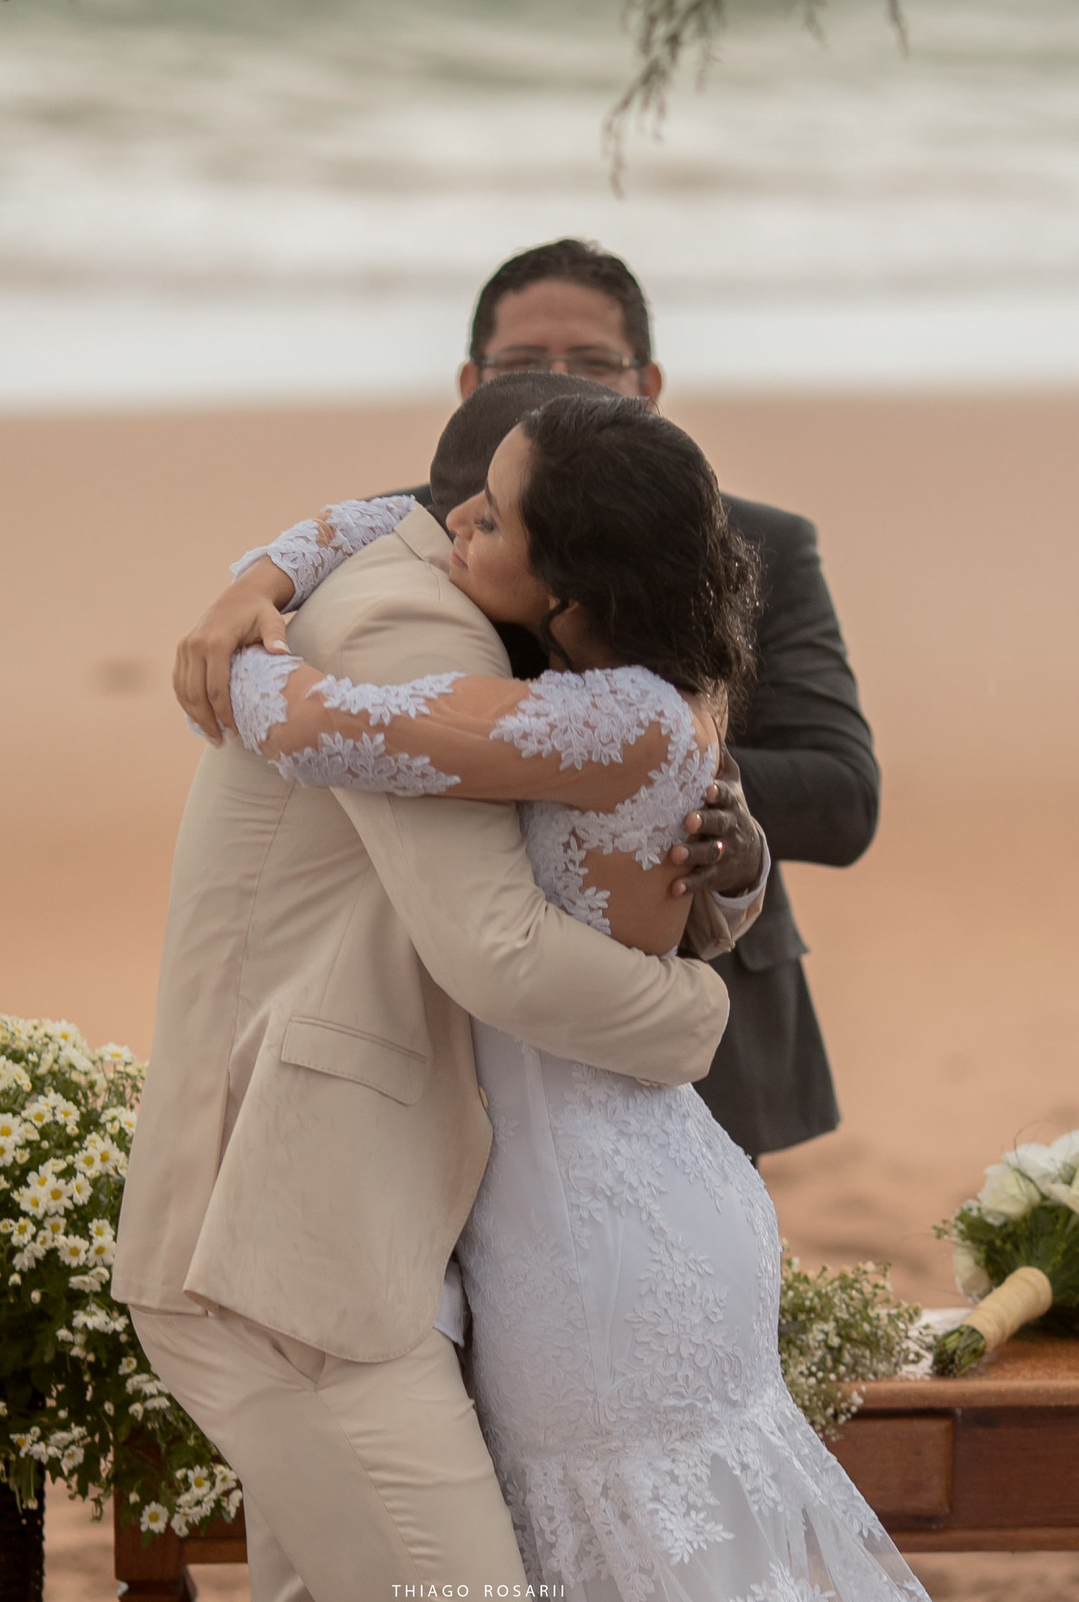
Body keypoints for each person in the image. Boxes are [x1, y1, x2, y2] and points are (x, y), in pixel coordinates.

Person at [218, 389, 927, 1602]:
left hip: (593, 1243)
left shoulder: (609, 719)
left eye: (492, 521)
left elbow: (322, 729)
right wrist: (263, 575)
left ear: (575, 593)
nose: (454, 523)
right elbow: (404, 517)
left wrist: (234, 646)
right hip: (631, 1193)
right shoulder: (660, 681)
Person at [113, 377, 761, 1601]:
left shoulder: (521, 643)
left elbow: (597, 846)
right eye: (475, 504)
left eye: (498, 515)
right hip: (294, 1242)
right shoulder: (413, 622)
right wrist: (698, 1021)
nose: (465, 521)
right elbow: (498, 948)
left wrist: (254, 594)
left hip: (383, 1227)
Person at [183, 240, 878, 1160]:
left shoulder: (754, 547)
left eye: (593, 362)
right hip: (459, 1028)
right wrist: (250, 586)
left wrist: (674, 787)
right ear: (472, 384)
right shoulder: (449, 521)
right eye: (522, 365)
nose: (561, 383)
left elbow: (845, 796)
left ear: (647, 384)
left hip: (688, 1002)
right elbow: (373, 519)